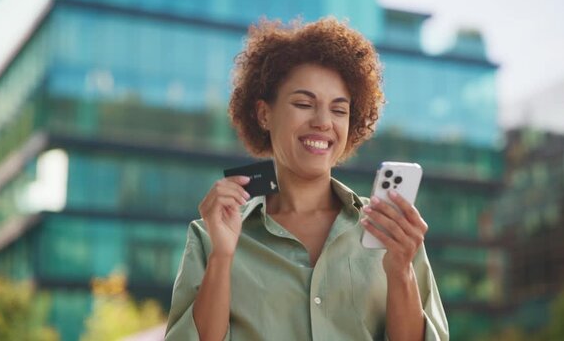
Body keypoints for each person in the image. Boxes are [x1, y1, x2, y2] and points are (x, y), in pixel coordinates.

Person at [165, 17, 449, 341]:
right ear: (264, 114)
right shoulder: (210, 235)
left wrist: (401, 272)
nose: (323, 122)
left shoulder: (392, 230)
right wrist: (223, 257)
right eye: (303, 104)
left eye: (339, 110)